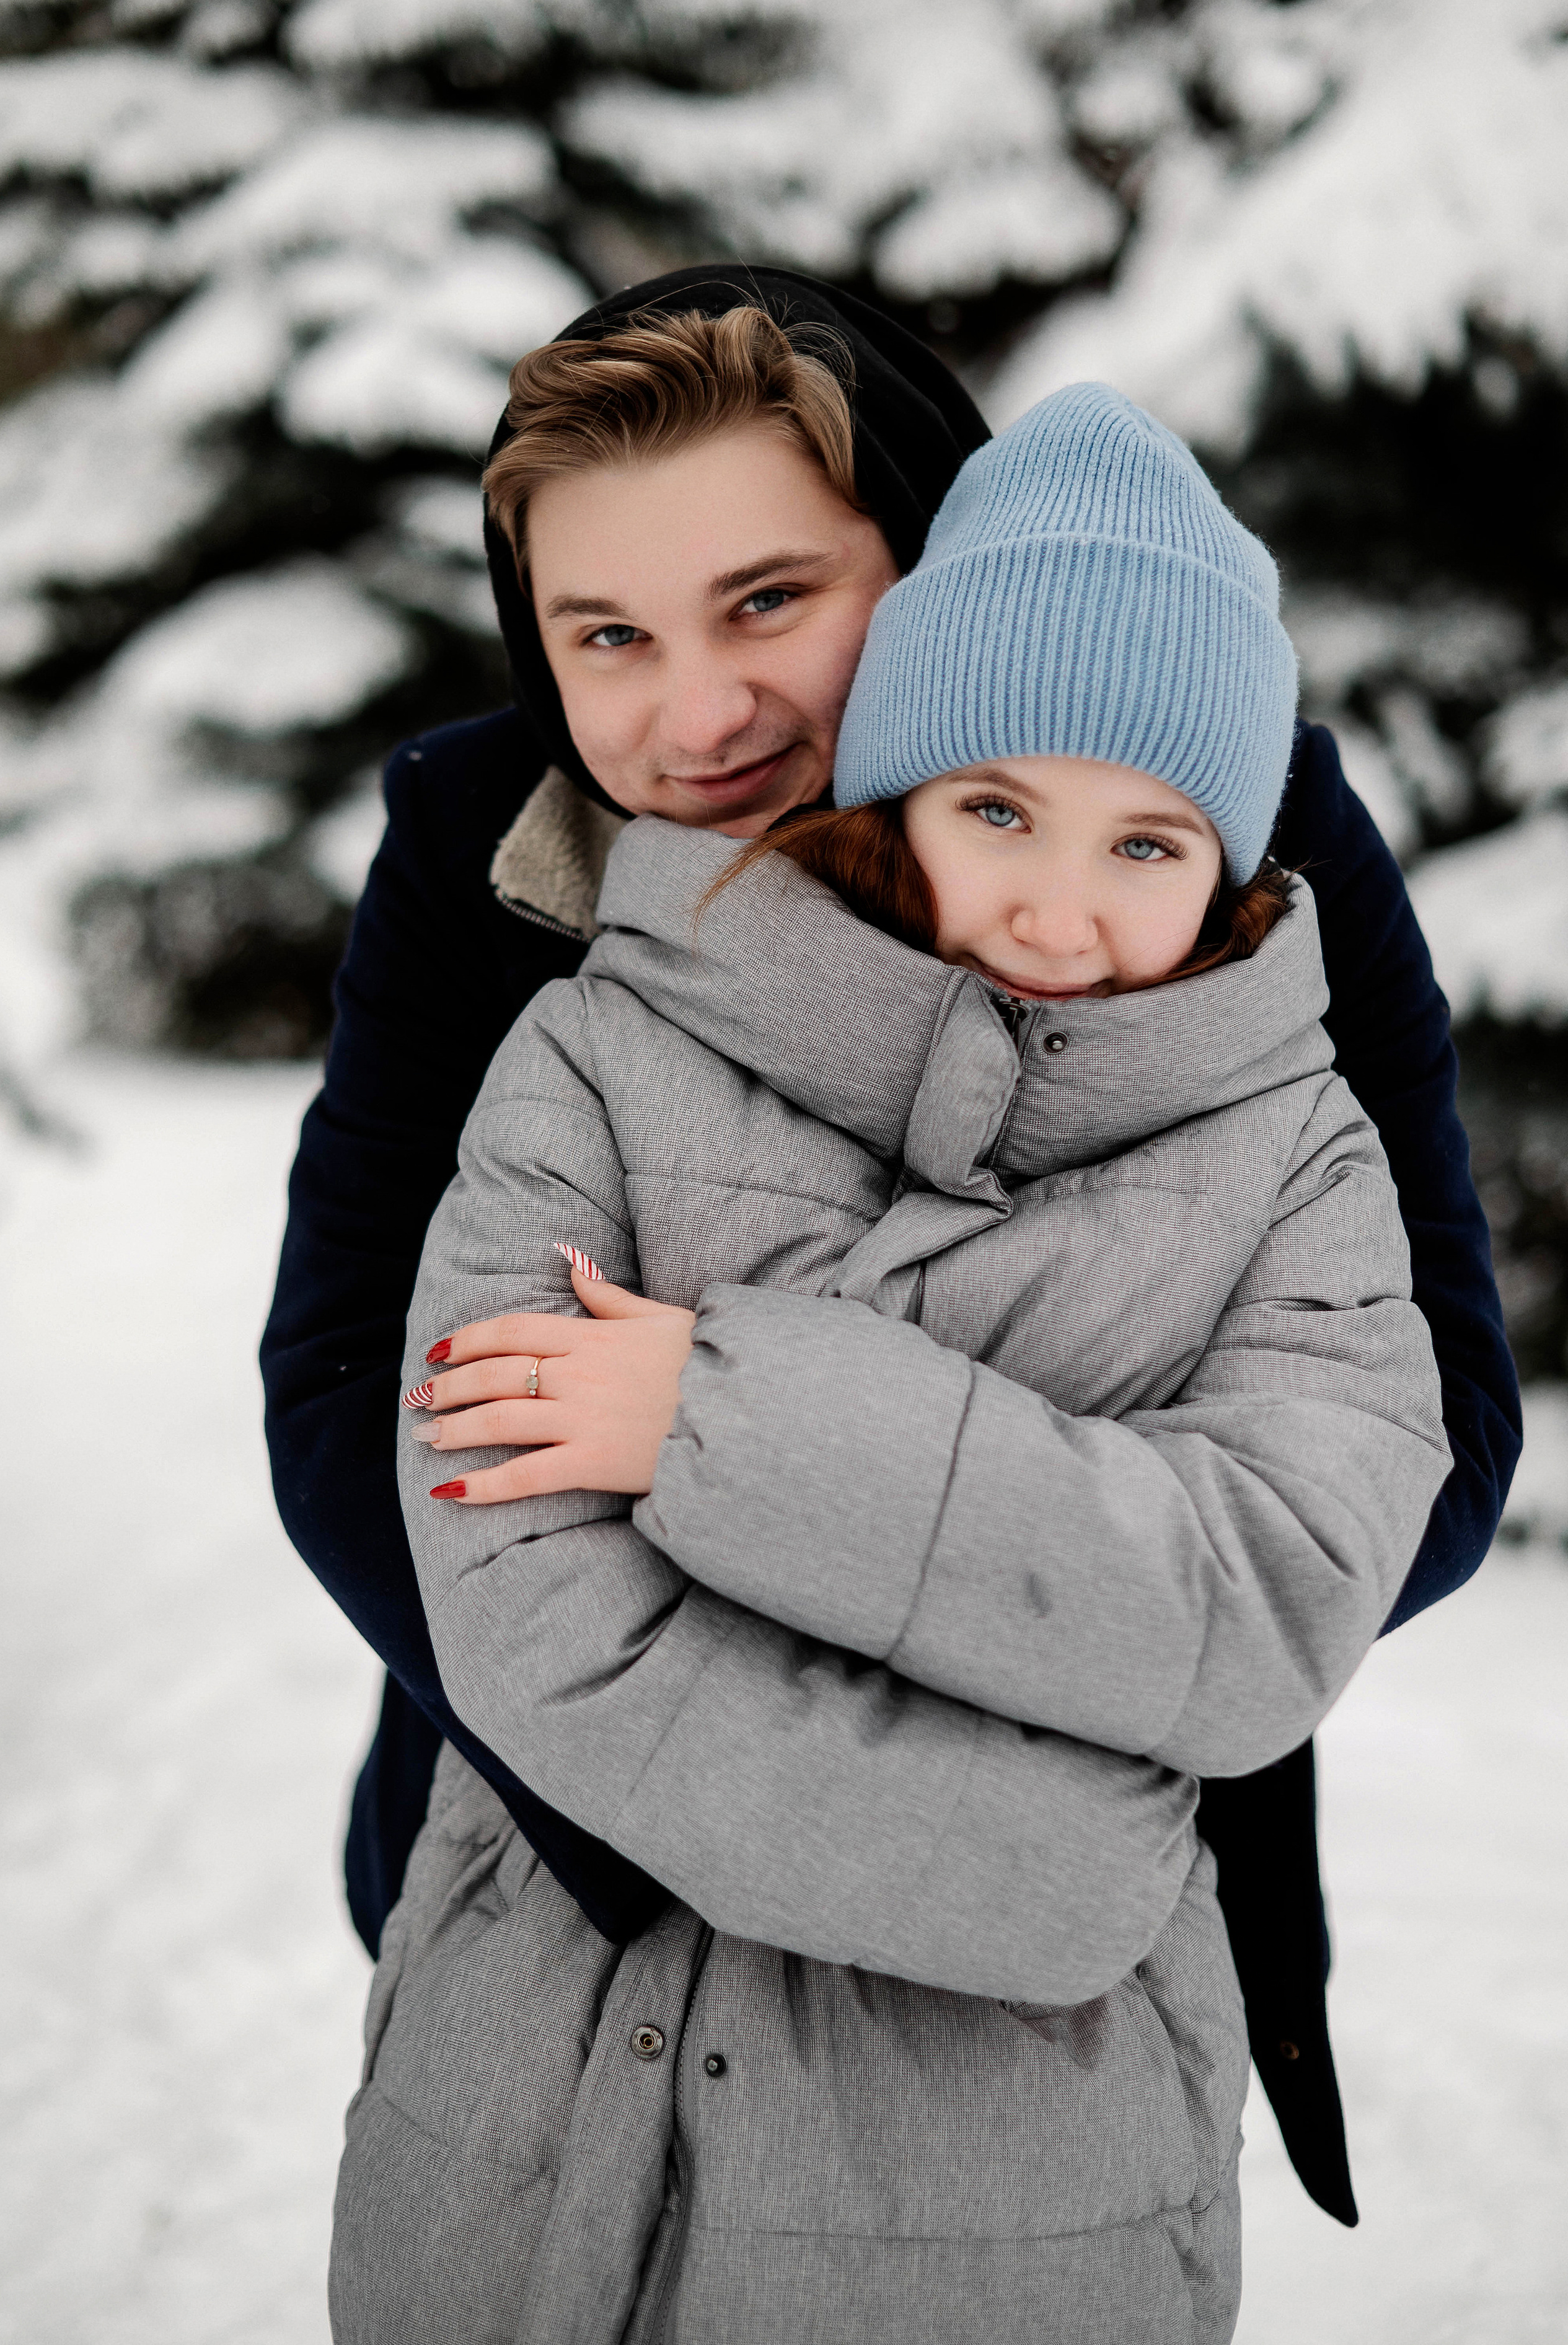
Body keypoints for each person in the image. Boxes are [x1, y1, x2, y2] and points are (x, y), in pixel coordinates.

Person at [258, 268, 1519, 2231]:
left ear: (924, 561)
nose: (700, 715)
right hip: (579, 1856)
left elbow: (1410, 1436)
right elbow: (362, 1386)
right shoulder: (487, 850)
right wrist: (687, 1803)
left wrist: (998, 1812)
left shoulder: (1221, 836)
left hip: (1058, 1983)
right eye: (608, 633)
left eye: (771, 600)